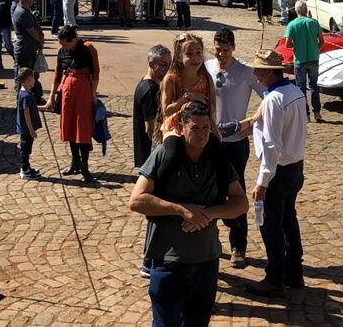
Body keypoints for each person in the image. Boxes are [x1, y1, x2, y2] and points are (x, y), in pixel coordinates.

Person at [129, 101, 248, 327]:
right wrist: (182, 210)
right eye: (195, 128)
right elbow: (136, 200)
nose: (202, 134)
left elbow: (241, 203)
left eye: (205, 128)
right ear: (182, 128)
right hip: (168, 261)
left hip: (206, 260)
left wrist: (208, 213)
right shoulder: (165, 154)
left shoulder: (218, 158)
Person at [246, 50, 308, 298]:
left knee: (271, 226)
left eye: (259, 71)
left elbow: (271, 145)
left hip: (279, 172)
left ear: (272, 72)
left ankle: (275, 278)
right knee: (288, 221)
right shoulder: (295, 92)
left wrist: (262, 181)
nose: (256, 75)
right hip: (295, 167)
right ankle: (295, 273)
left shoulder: (273, 100)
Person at [205, 28, 264, 270]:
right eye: (218, 49)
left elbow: (268, 96)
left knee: (235, 193)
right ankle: (210, 242)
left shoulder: (245, 71)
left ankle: (238, 246)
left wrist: (254, 122)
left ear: (234, 48)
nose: (221, 54)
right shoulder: (207, 66)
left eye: (226, 50)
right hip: (209, 141)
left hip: (236, 143)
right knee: (209, 191)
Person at [44, 26, 100, 183]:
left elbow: (95, 72)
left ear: (73, 39)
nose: (64, 47)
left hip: (83, 91)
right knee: (69, 126)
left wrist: (93, 94)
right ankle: (75, 162)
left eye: (65, 44)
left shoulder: (87, 49)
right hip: (68, 91)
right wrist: (51, 97)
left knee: (82, 128)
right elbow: (57, 73)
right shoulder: (62, 52)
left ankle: (84, 165)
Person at [159, 32, 216, 140]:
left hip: (200, 126)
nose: (196, 58)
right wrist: (186, 98)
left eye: (198, 52)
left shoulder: (206, 78)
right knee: (173, 150)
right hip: (176, 128)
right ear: (180, 57)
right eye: (190, 54)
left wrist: (201, 103)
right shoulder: (171, 79)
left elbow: (213, 107)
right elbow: (166, 110)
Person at [284, 0, 324, 123]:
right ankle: (317, 112)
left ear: (296, 11)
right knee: (314, 86)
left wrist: (296, 45)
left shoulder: (292, 24)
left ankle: (305, 114)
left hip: (300, 60)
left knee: (301, 87)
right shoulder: (314, 23)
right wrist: (316, 49)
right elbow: (322, 42)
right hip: (313, 58)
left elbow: (287, 44)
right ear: (306, 10)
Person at [135, 45, 171, 169]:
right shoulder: (150, 90)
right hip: (151, 154)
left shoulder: (144, 83)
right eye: (162, 64)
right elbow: (150, 128)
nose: (167, 69)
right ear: (151, 65)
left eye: (169, 64)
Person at [16, 68, 42, 180]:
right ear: (29, 79)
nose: (34, 81)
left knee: (27, 148)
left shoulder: (24, 92)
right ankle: (25, 169)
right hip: (26, 129)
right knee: (25, 149)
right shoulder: (26, 96)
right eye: (34, 79)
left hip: (25, 128)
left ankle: (26, 167)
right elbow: (26, 113)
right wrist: (31, 129)